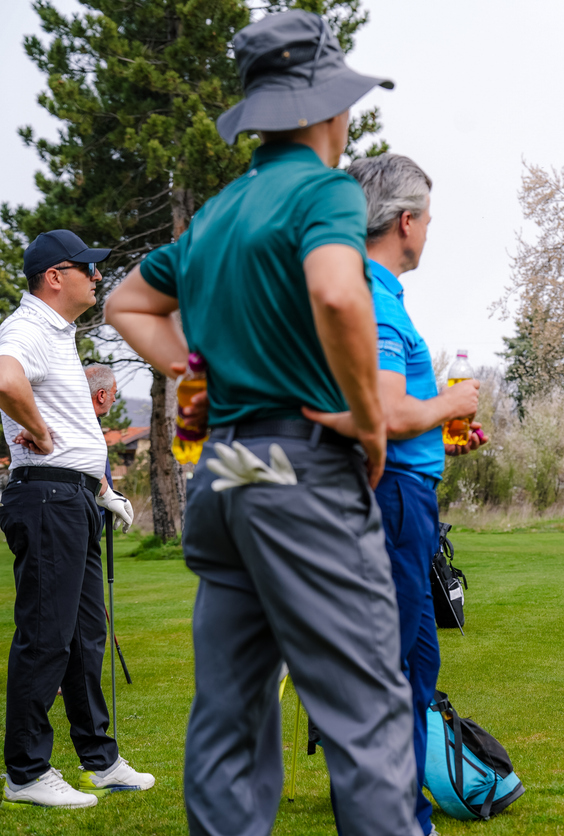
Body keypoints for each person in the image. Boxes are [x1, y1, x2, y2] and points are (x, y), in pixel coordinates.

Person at [103, 11, 422, 836]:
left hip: (227, 477)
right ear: (326, 109)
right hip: (299, 475)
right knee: (366, 711)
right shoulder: (324, 191)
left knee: (231, 718)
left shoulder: (216, 214)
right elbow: (339, 292)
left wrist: (187, 368)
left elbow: (126, 302)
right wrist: (366, 417)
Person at [305, 152, 483, 836]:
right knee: (401, 666)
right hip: (393, 502)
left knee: (406, 661)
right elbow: (380, 412)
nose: (430, 231)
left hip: (402, 490)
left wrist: (443, 434)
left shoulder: (372, 294)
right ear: (404, 222)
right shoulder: (375, 299)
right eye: (428, 219)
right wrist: (450, 400)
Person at [0, 230, 150, 810]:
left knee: (87, 636)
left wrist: (102, 488)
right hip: (47, 499)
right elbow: (6, 379)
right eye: (84, 267)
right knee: (47, 635)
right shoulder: (28, 327)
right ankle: (26, 771)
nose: (96, 275)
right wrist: (36, 434)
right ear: (53, 277)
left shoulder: (59, 336)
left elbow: (76, 428)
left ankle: (101, 759)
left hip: (75, 499)